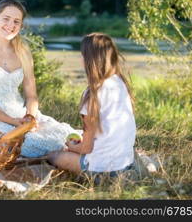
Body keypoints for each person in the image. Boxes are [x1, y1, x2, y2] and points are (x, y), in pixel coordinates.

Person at [0, 0, 80, 158]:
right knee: (30, 145)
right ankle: (72, 160)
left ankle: (84, 162)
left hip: (21, 116)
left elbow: (32, 96)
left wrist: (30, 117)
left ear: (21, 25)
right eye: (6, 19)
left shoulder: (23, 52)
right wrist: (13, 122)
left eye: (16, 22)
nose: (10, 26)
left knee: (66, 135)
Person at [48, 33, 136, 177]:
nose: (80, 59)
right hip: (125, 163)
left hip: (101, 170)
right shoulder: (120, 83)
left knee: (52, 156)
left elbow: (87, 148)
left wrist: (71, 147)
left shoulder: (92, 94)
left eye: (82, 55)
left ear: (90, 60)